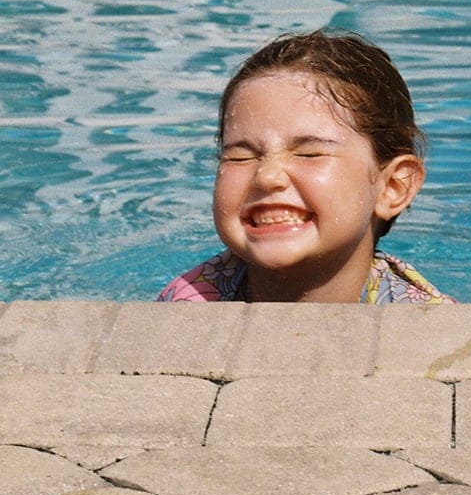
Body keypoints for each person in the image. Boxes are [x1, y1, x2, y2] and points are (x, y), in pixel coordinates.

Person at [158, 28, 447, 303]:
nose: (267, 176)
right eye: (240, 157)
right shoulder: (182, 309)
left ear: (393, 187)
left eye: (309, 153)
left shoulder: (429, 326)